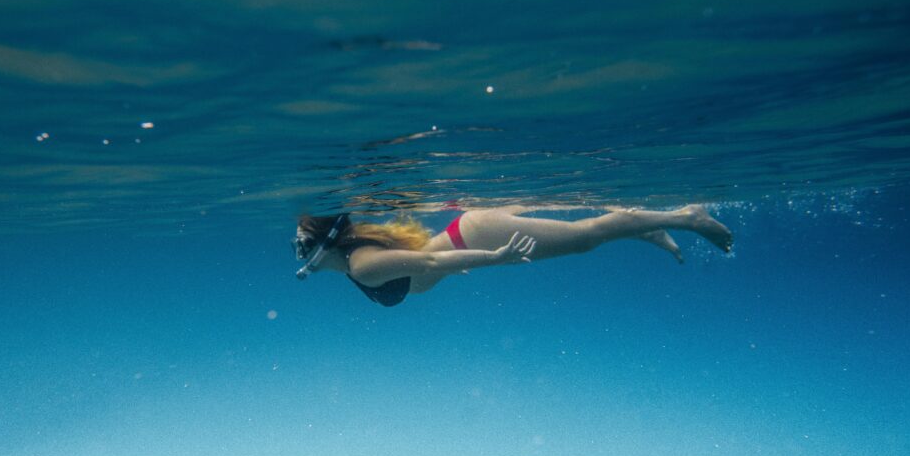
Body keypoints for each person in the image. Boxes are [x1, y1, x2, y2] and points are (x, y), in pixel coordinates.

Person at [292, 205, 733, 306]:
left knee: (583, 238)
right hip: (465, 236)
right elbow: (427, 264)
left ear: (321, 244)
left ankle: (687, 216)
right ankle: (643, 230)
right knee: (584, 239)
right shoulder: (355, 260)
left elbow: (429, 264)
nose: (296, 249)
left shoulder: (362, 266)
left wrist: (496, 255)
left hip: (476, 235)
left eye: (300, 242)